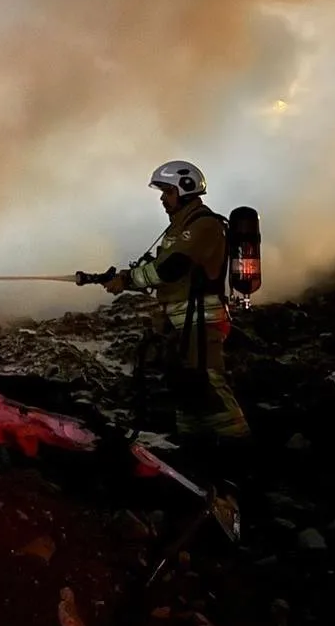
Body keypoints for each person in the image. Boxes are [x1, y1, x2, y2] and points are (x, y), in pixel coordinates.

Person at [103, 160, 252, 450]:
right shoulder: (179, 228)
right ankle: (194, 452)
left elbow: (171, 267)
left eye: (167, 192)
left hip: (201, 321)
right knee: (185, 388)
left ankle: (241, 452)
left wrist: (129, 281)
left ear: (184, 190)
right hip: (180, 322)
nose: (162, 198)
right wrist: (124, 277)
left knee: (210, 384)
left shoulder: (204, 225)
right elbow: (162, 267)